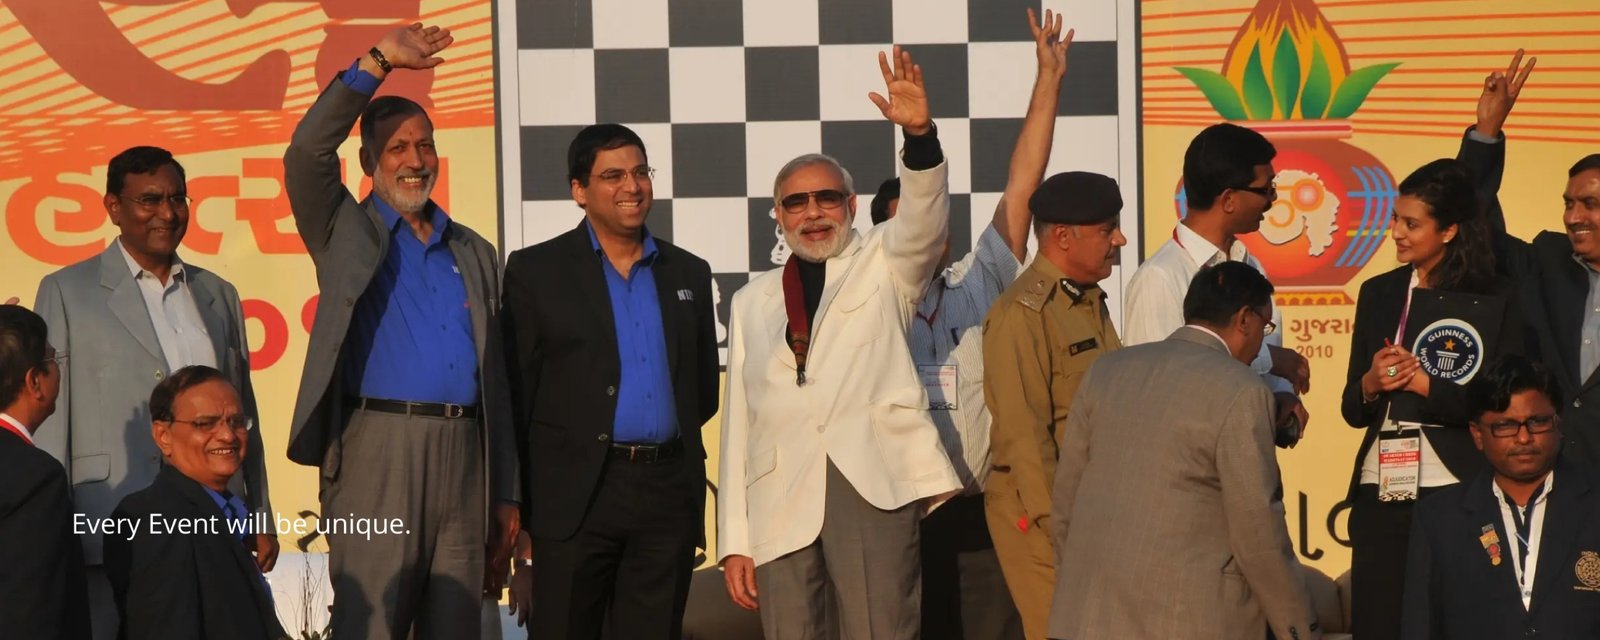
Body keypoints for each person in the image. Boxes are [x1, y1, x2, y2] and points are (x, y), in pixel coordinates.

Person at [717, 46, 962, 639]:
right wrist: (735, 540)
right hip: (780, 498)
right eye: (796, 202)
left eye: (828, 198)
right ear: (778, 216)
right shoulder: (752, 301)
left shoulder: (885, 261)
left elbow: (924, 223)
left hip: (869, 485)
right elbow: (739, 426)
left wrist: (921, 138)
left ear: (851, 207)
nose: (813, 212)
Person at [283, 22, 518, 639]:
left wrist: (507, 492)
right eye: (397, 149)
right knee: (373, 626)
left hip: (467, 457)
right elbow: (306, 152)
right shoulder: (343, 233)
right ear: (367, 162)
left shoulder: (475, 250)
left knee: (459, 627)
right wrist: (379, 61)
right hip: (375, 454)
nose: (415, 160)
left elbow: (499, 383)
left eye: (425, 146)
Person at [870, 10, 1066, 639]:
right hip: (895, 520)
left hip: (982, 517)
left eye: (932, 220)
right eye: (908, 227)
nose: (924, 236)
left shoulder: (978, 281)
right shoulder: (860, 306)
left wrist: (1049, 79)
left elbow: (1021, 187)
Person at [33, 145, 273, 639]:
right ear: (113, 208)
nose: (167, 213)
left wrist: (260, 511)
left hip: (211, 523)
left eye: (177, 198)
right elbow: (51, 426)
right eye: (149, 200)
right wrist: (52, 531)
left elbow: (242, 411)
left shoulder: (217, 294)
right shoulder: (66, 291)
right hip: (106, 521)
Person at [500, 121, 719, 638]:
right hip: (574, 497)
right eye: (613, 175)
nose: (632, 186)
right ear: (579, 191)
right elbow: (517, 396)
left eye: (641, 171)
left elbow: (702, 391)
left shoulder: (687, 271)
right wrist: (522, 516)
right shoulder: (536, 271)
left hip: (666, 493)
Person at [1049, 262, 1320, 640]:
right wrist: (1298, 627)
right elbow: (1258, 532)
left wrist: (1080, 586)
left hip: (1084, 618)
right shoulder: (1242, 390)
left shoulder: (1107, 370)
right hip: (1188, 621)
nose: (1262, 340)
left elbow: (1065, 504)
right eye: (1265, 327)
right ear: (1245, 319)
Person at [1339, 158, 1523, 640]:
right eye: (1395, 219)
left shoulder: (1492, 298)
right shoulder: (1377, 293)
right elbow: (1351, 408)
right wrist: (1370, 385)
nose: (1395, 232)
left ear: (1448, 231)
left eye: (1411, 223)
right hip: (1382, 483)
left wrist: (1428, 388)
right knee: (1379, 620)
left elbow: (1500, 403)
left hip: (1458, 483)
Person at [978, 168, 1124, 640]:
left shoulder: (1087, 300)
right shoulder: (1022, 315)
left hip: (1092, 508)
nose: (1119, 239)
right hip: (1043, 511)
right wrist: (1056, 526)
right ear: (1062, 236)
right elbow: (1025, 438)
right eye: (1106, 230)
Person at [1121, 122, 1311, 444]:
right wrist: (1271, 360)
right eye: (1265, 190)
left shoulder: (1251, 265)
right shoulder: (1160, 278)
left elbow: (1270, 365)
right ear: (1228, 200)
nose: (1272, 201)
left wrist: (1280, 395)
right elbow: (1156, 391)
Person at [1402, 355, 1600, 639]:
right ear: (1478, 434)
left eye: (1537, 422)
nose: (1523, 438)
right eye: (1505, 425)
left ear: (1558, 423)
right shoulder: (1439, 519)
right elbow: (1420, 626)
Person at [1470, 53, 1600, 464]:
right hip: (1555, 482)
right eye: (1569, 204)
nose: (1573, 217)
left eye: (1590, 204)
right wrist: (1487, 132)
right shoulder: (1547, 260)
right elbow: (1475, 230)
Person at [102, 367, 286, 640]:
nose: (227, 435)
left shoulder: (231, 515)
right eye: (205, 423)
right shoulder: (153, 519)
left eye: (236, 421)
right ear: (163, 436)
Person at [0, 305, 88, 640]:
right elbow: (33, 609)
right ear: (35, 381)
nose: (58, 370)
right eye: (53, 358)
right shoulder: (35, 478)